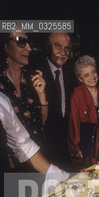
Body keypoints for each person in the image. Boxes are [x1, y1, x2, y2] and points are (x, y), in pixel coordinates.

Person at [0, 31, 48, 170]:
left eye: (29, 43)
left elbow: (42, 122)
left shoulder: (32, 78)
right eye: (21, 41)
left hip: (38, 159)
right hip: (11, 167)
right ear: (6, 46)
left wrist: (42, 95)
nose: (29, 48)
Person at [29, 31, 75, 171]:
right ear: (48, 47)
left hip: (65, 150)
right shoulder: (35, 73)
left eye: (67, 48)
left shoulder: (70, 75)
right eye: (58, 46)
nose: (63, 52)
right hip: (42, 152)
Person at [68, 55, 99, 168]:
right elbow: (73, 123)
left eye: (93, 72)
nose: (92, 77)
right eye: (86, 75)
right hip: (86, 145)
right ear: (80, 79)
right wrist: (75, 148)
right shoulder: (77, 94)